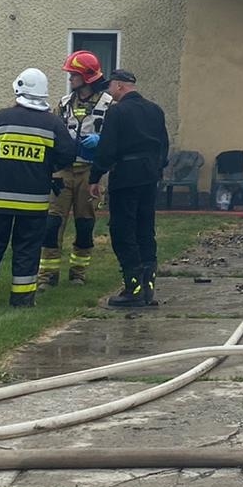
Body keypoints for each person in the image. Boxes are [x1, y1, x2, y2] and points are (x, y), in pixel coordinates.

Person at [0, 68, 74, 308]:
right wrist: (48, 165)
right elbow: (68, 154)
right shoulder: (53, 124)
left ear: (19, 89)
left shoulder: (2, 117)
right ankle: (22, 301)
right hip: (32, 202)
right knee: (27, 249)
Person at [89, 69, 169, 309]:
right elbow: (164, 146)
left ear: (120, 86)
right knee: (145, 229)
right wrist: (156, 168)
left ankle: (132, 288)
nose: (108, 92)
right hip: (149, 177)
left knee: (123, 230)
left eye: (110, 87)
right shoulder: (155, 110)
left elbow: (107, 147)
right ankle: (147, 288)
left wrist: (95, 176)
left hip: (126, 175)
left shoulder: (117, 112)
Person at [40, 50, 114, 287]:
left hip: (90, 173)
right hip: (63, 171)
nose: (70, 78)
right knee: (52, 224)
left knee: (84, 224)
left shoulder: (108, 105)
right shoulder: (63, 104)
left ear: (87, 77)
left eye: (74, 74)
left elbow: (117, 137)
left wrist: (101, 141)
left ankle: (78, 273)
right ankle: (48, 275)